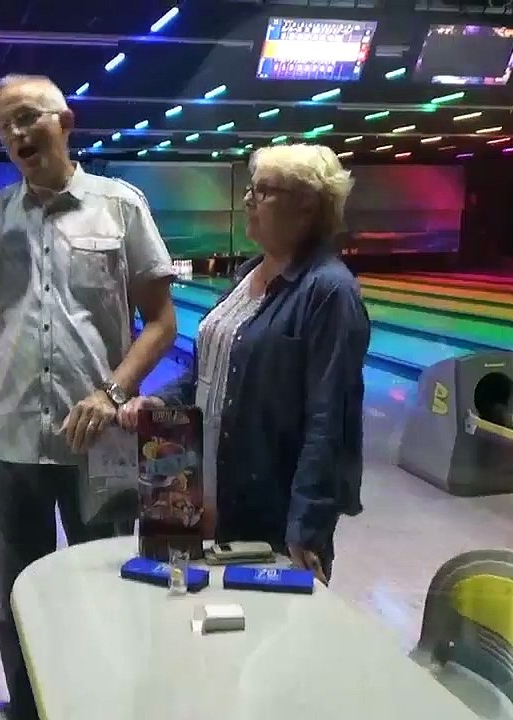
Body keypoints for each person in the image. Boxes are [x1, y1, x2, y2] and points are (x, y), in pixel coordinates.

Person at [0, 75, 177, 720]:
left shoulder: (121, 206)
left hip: (99, 445)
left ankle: (101, 706)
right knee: (17, 597)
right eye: (3, 125)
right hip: (10, 447)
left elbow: (161, 322)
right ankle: (28, 711)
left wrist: (112, 390)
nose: (16, 134)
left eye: (27, 118)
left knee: (105, 589)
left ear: (64, 121)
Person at [119, 144, 369, 583]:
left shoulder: (329, 291)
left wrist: (307, 528)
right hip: (200, 492)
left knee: (262, 642)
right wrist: (158, 399)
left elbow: (330, 420)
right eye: (251, 189)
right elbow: (206, 376)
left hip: (267, 511)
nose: (248, 200)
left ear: (307, 205)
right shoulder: (247, 275)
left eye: (264, 191)